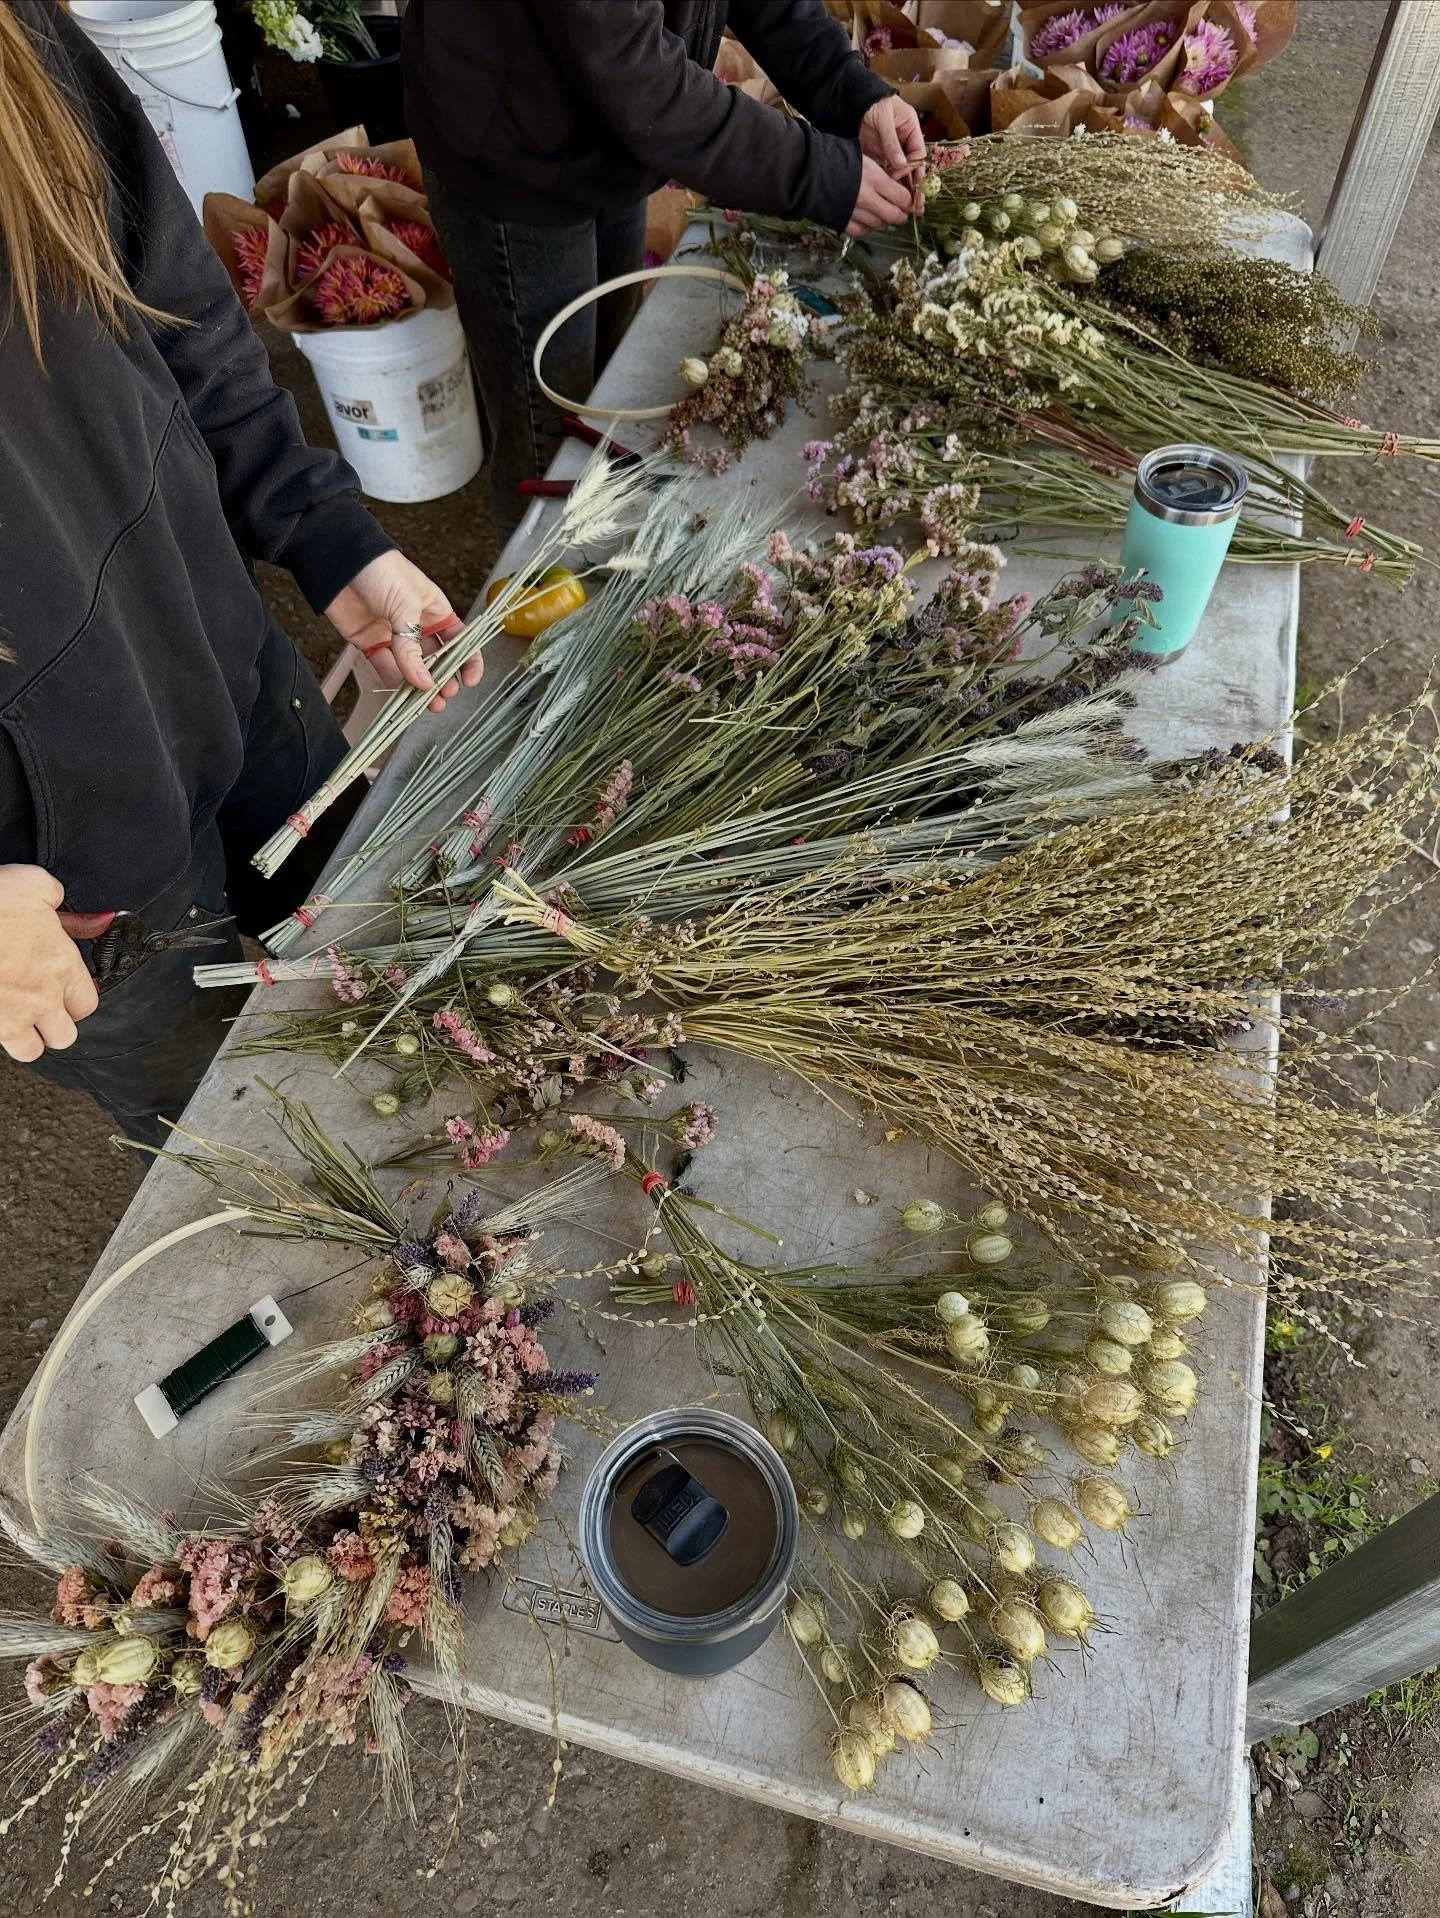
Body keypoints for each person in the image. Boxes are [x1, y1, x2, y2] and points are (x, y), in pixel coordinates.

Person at [0, 0, 480, 1144]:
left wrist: (326, 536)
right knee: (250, 1127)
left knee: (383, 927)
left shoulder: (20, 42)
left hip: (226, 658)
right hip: (61, 880)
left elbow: (172, 301)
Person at [404, 0, 925, 538]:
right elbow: (637, 75)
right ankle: (536, 564)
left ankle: (595, 527)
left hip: (611, 134)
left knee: (608, 384)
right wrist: (816, 174)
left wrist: (850, 91)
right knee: (549, 441)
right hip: (512, 147)